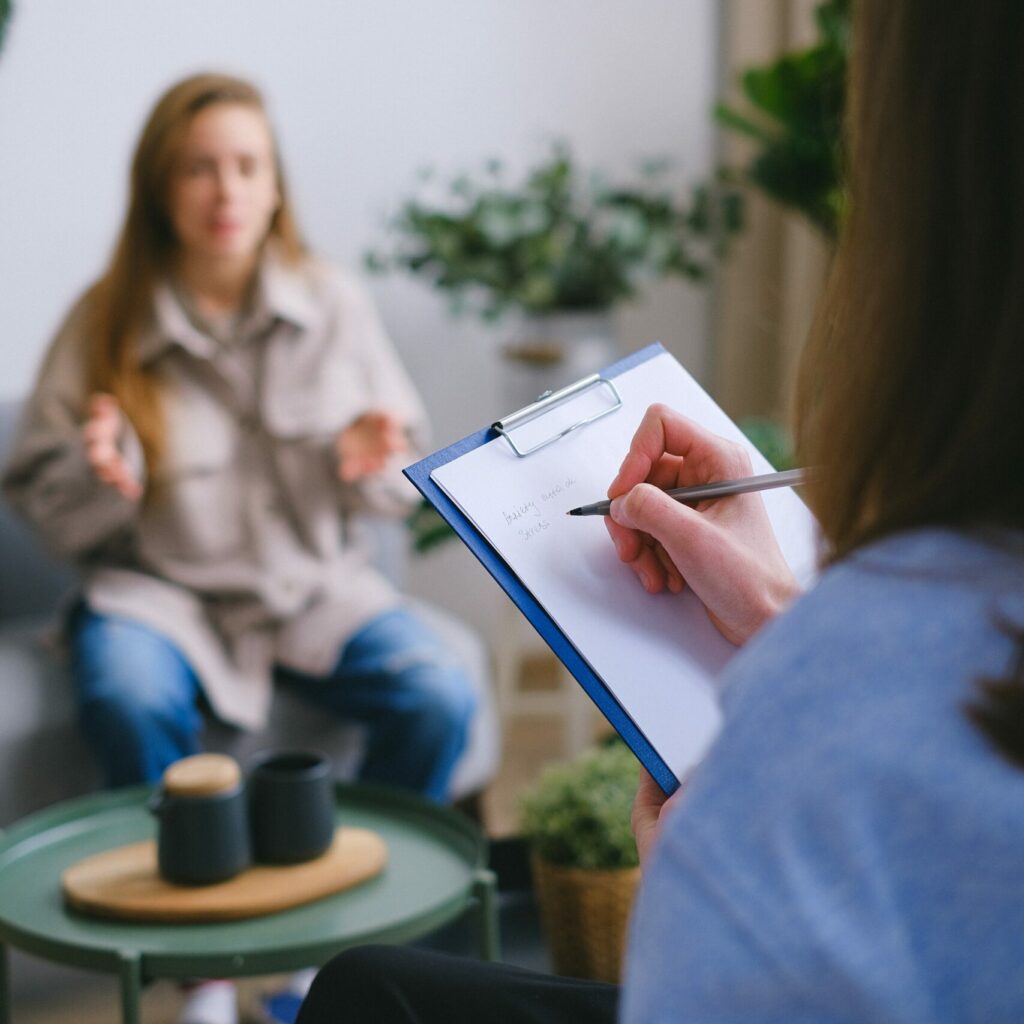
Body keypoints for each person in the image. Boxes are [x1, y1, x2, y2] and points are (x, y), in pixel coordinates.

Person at [295, 2, 1024, 1021]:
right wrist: (776, 610)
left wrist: (695, 888)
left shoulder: (838, 746)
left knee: (366, 997)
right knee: (375, 981)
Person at [1, 72, 476, 1024]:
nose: (226, 191)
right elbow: (42, 505)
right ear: (159, 190)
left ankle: (327, 961)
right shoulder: (102, 322)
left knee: (440, 689)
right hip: (159, 598)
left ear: (275, 185)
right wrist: (106, 481)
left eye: (246, 166)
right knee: (122, 689)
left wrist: (368, 466)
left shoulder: (333, 303)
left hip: (313, 593)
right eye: (199, 170)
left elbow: (401, 481)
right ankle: (202, 975)